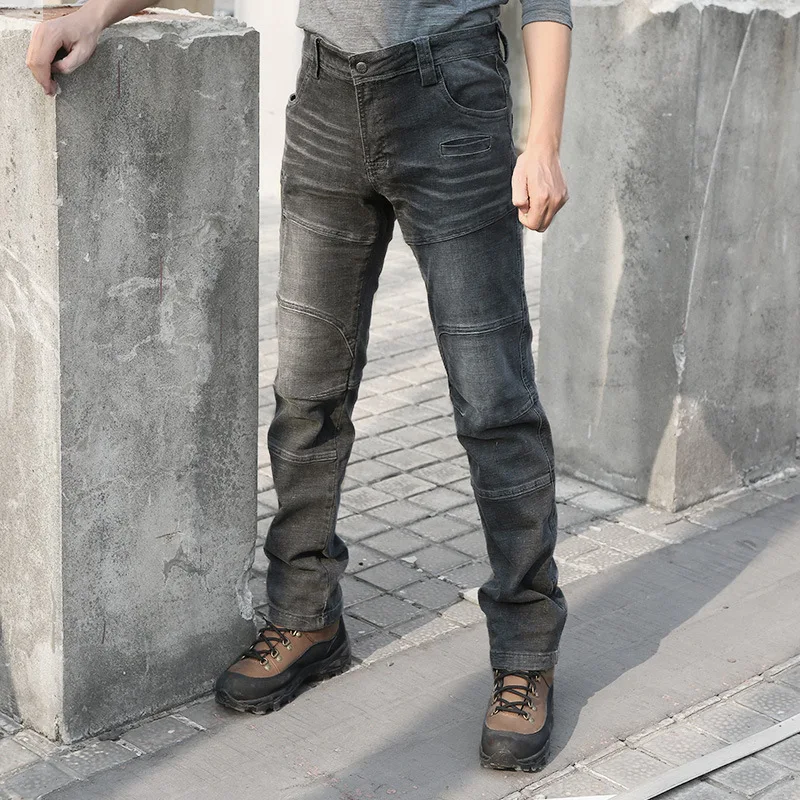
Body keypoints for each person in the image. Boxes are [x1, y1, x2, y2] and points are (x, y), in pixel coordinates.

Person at [27, 0, 571, 772]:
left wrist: (543, 141)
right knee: (308, 391)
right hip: (326, 99)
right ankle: (307, 615)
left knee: (494, 403)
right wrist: (96, 14)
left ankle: (525, 651)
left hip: (451, 97)